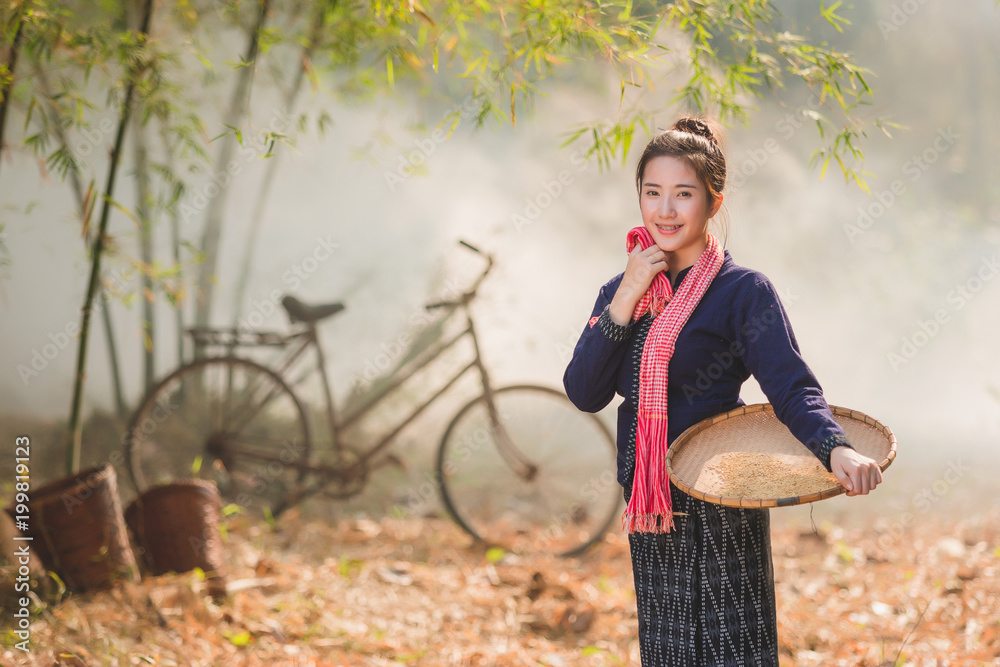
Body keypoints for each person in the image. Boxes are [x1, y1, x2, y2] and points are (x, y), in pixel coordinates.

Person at [563, 116, 883, 665]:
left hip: (719, 498)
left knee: (730, 650)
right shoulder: (621, 290)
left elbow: (791, 386)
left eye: (683, 194)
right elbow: (585, 392)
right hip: (652, 503)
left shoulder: (742, 292)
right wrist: (625, 298)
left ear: (713, 202)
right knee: (668, 653)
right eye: (652, 193)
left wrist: (836, 447)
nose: (665, 210)